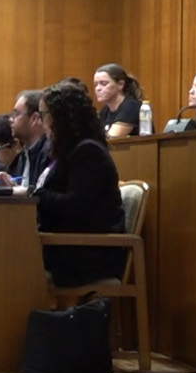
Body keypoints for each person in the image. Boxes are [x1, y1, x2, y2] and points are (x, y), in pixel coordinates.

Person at [13, 82, 127, 288]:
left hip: (87, 253)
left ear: (60, 117)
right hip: (67, 244)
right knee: (3, 252)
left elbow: (76, 207)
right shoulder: (66, 152)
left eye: (44, 114)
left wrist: (33, 194)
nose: (42, 122)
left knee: (6, 261)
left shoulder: (88, 152)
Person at [0, 89, 50, 189]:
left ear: (34, 118)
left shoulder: (49, 153)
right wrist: (12, 187)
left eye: (16, 114)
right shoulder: (23, 155)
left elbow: (42, 194)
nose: (10, 119)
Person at [93, 63, 144, 138]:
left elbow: (112, 139)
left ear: (120, 85)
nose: (98, 88)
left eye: (103, 84)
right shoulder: (105, 110)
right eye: (96, 84)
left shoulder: (131, 106)